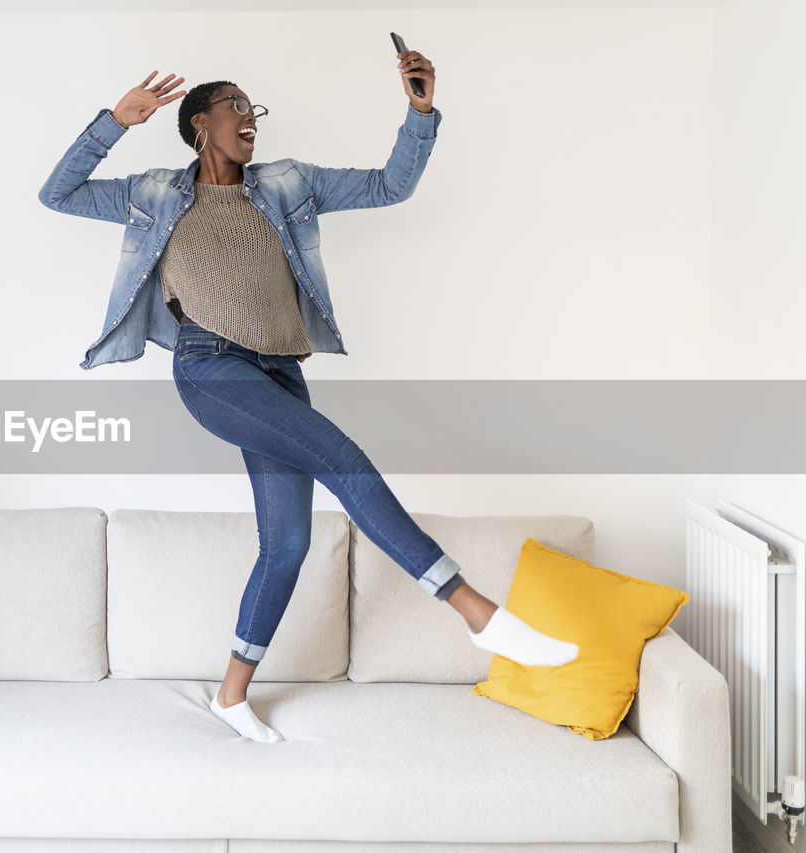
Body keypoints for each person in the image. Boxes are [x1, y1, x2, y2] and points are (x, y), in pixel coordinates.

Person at [38, 52, 579, 743]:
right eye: (237, 106)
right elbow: (58, 193)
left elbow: (390, 187)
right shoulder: (151, 193)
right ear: (200, 122)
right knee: (343, 456)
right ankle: (478, 613)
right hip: (210, 368)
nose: (251, 120)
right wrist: (113, 123)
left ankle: (231, 695)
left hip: (281, 373)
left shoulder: (288, 183)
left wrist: (419, 115)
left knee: (287, 544)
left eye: (254, 110)